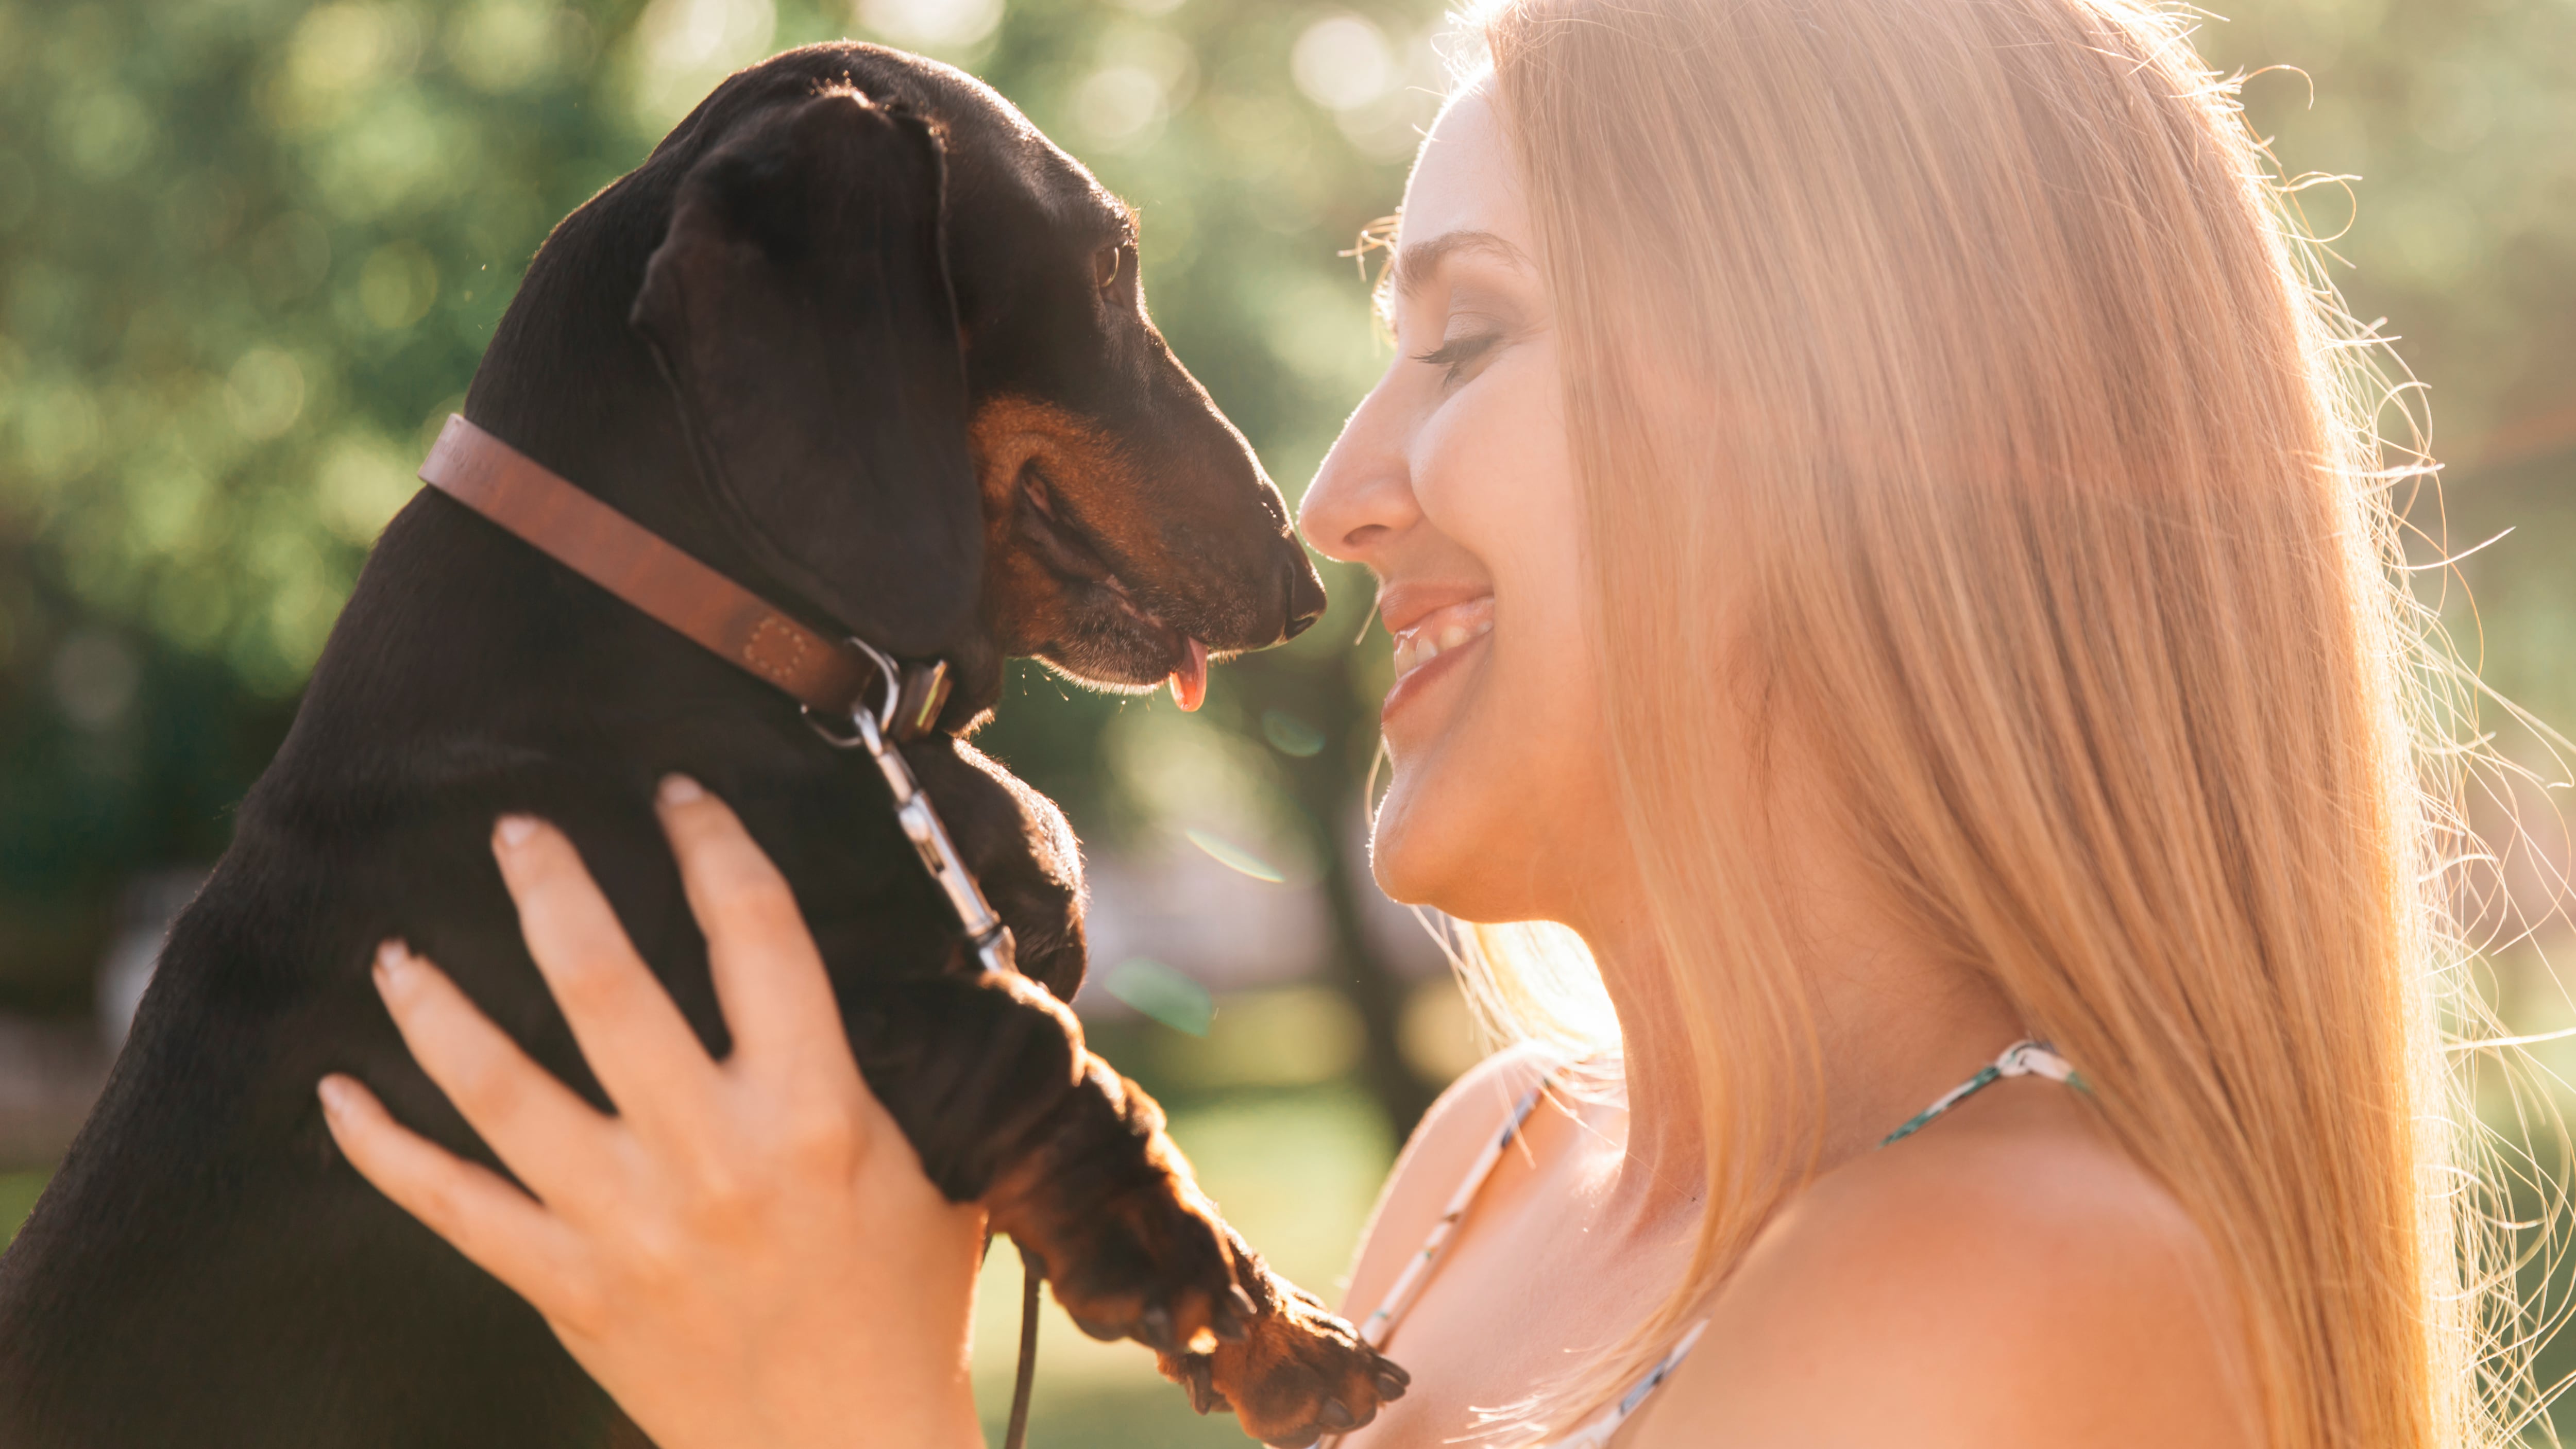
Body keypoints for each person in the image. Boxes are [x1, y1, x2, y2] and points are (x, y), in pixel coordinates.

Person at [315, 0, 2534, 1444]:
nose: (1340, 492)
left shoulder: (2008, 1303)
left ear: (1852, 433)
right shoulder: (1492, 1178)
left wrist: (824, 1412)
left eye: (1464, 341)